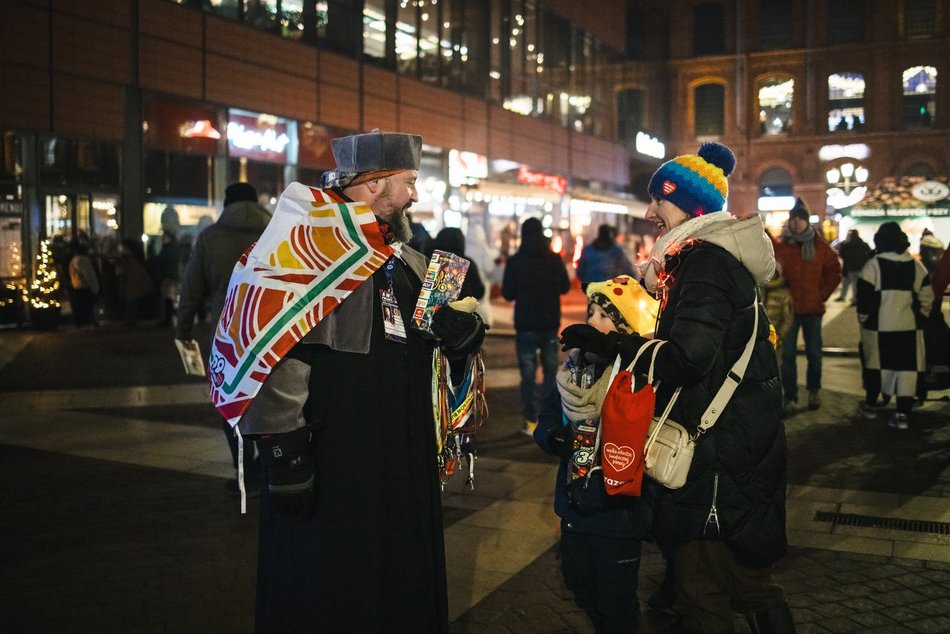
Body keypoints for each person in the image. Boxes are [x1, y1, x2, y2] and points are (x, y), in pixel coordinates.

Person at [231, 131, 485, 632]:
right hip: (334, 464)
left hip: (401, 463)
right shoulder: (297, 251)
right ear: (372, 184)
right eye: (408, 182)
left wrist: (464, 335)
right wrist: (283, 449)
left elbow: (438, 347)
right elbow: (270, 351)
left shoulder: (407, 259)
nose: (414, 194)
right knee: (328, 586)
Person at [560, 142, 793, 633]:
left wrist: (618, 347)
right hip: (737, 446)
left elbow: (687, 357)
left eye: (658, 200)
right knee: (750, 582)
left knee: (701, 592)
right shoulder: (712, 259)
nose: (649, 213)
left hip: (715, 458)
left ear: (690, 206)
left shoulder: (705, 262)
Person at [535, 275, 656, 633]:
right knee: (577, 583)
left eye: (603, 315)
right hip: (574, 504)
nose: (591, 321)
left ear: (624, 327)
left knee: (616, 604)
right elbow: (545, 420)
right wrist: (553, 438)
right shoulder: (571, 370)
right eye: (590, 312)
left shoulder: (637, 375)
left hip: (617, 513)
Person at [175, 181, 272, 493]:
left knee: (230, 405)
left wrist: (183, 330)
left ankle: (243, 471)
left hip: (228, 338)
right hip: (272, 334)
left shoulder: (210, 238)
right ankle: (269, 467)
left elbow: (191, 290)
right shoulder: (276, 233)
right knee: (272, 403)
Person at [856, 222, 933, 429]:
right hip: (908, 328)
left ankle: (871, 406)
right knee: (907, 370)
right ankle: (902, 414)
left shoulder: (873, 265)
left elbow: (863, 301)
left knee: (877, 366)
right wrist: (921, 318)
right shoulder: (915, 265)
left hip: (879, 328)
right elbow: (927, 297)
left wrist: (864, 320)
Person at [502, 216, 571, 435]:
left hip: (525, 323)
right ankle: (546, 416)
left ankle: (530, 418)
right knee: (551, 369)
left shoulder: (515, 261)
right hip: (549, 321)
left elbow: (508, 292)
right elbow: (565, 287)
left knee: (528, 372)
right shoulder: (553, 259)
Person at [772, 197, 841, 412]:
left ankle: (814, 391)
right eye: (794, 219)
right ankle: (790, 396)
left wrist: (821, 294)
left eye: (800, 219)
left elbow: (834, 273)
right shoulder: (782, 246)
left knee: (814, 354)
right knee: (788, 355)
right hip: (789, 310)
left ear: (807, 222)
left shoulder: (820, 247)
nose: (796, 223)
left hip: (812, 308)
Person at [431, 227, 485, 303]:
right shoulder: (467, 263)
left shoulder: (431, 262)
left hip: (432, 313)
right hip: (461, 312)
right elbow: (479, 292)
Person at [576, 224, 636, 291]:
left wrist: (586, 281)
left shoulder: (588, 250)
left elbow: (580, 271)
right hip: (610, 288)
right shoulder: (616, 251)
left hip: (592, 287)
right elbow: (627, 269)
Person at [763, 261, 794, 373]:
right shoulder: (759, 289)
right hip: (759, 336)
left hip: (775, 335)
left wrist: (780, 335)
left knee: (774, 368)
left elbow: (788, 319)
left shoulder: (784, 294)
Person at [151, 230, 181, 326]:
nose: (163, 239)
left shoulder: (169, 250)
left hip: (168, 277)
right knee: (168, 298)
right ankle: (168, 318)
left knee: (168, 298)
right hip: (170, 276)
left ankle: (168, 319)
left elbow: (163, 262)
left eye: (164, 237)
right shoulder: (171, 249)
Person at [68, 242, 100, 328]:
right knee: (87, 304)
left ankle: (81, 322)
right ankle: (87, 321)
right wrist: (94, 286)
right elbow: (88, 274)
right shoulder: (82, 260)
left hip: (78, 285)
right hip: (84, 285)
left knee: (80, 305)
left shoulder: (74, 260)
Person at [836, 229, 871, 303]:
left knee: (851, 284)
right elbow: (869, 254)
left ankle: (852, 299)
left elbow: (842, 254)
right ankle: (855, 298)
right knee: (856, 284)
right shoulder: (863, 244)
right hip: (861, 267)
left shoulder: (847, 245)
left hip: (850, 267)